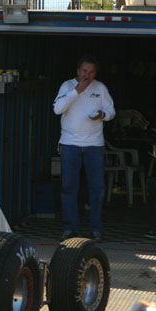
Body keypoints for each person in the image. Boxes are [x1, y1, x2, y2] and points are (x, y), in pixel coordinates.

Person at [54, 56, 115, 241]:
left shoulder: (100, 88)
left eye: (91, 72)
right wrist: (76, 91)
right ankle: (70, 229)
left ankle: (95, 230)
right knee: (68, 187)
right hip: (70, 144)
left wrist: (102, 115)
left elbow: (111, 112)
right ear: (78, 71)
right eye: (84, 71)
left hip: (94, 145)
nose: (87, 75)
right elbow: (57, 109)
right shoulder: (67, 86)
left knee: (97, 188)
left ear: (95, 74)